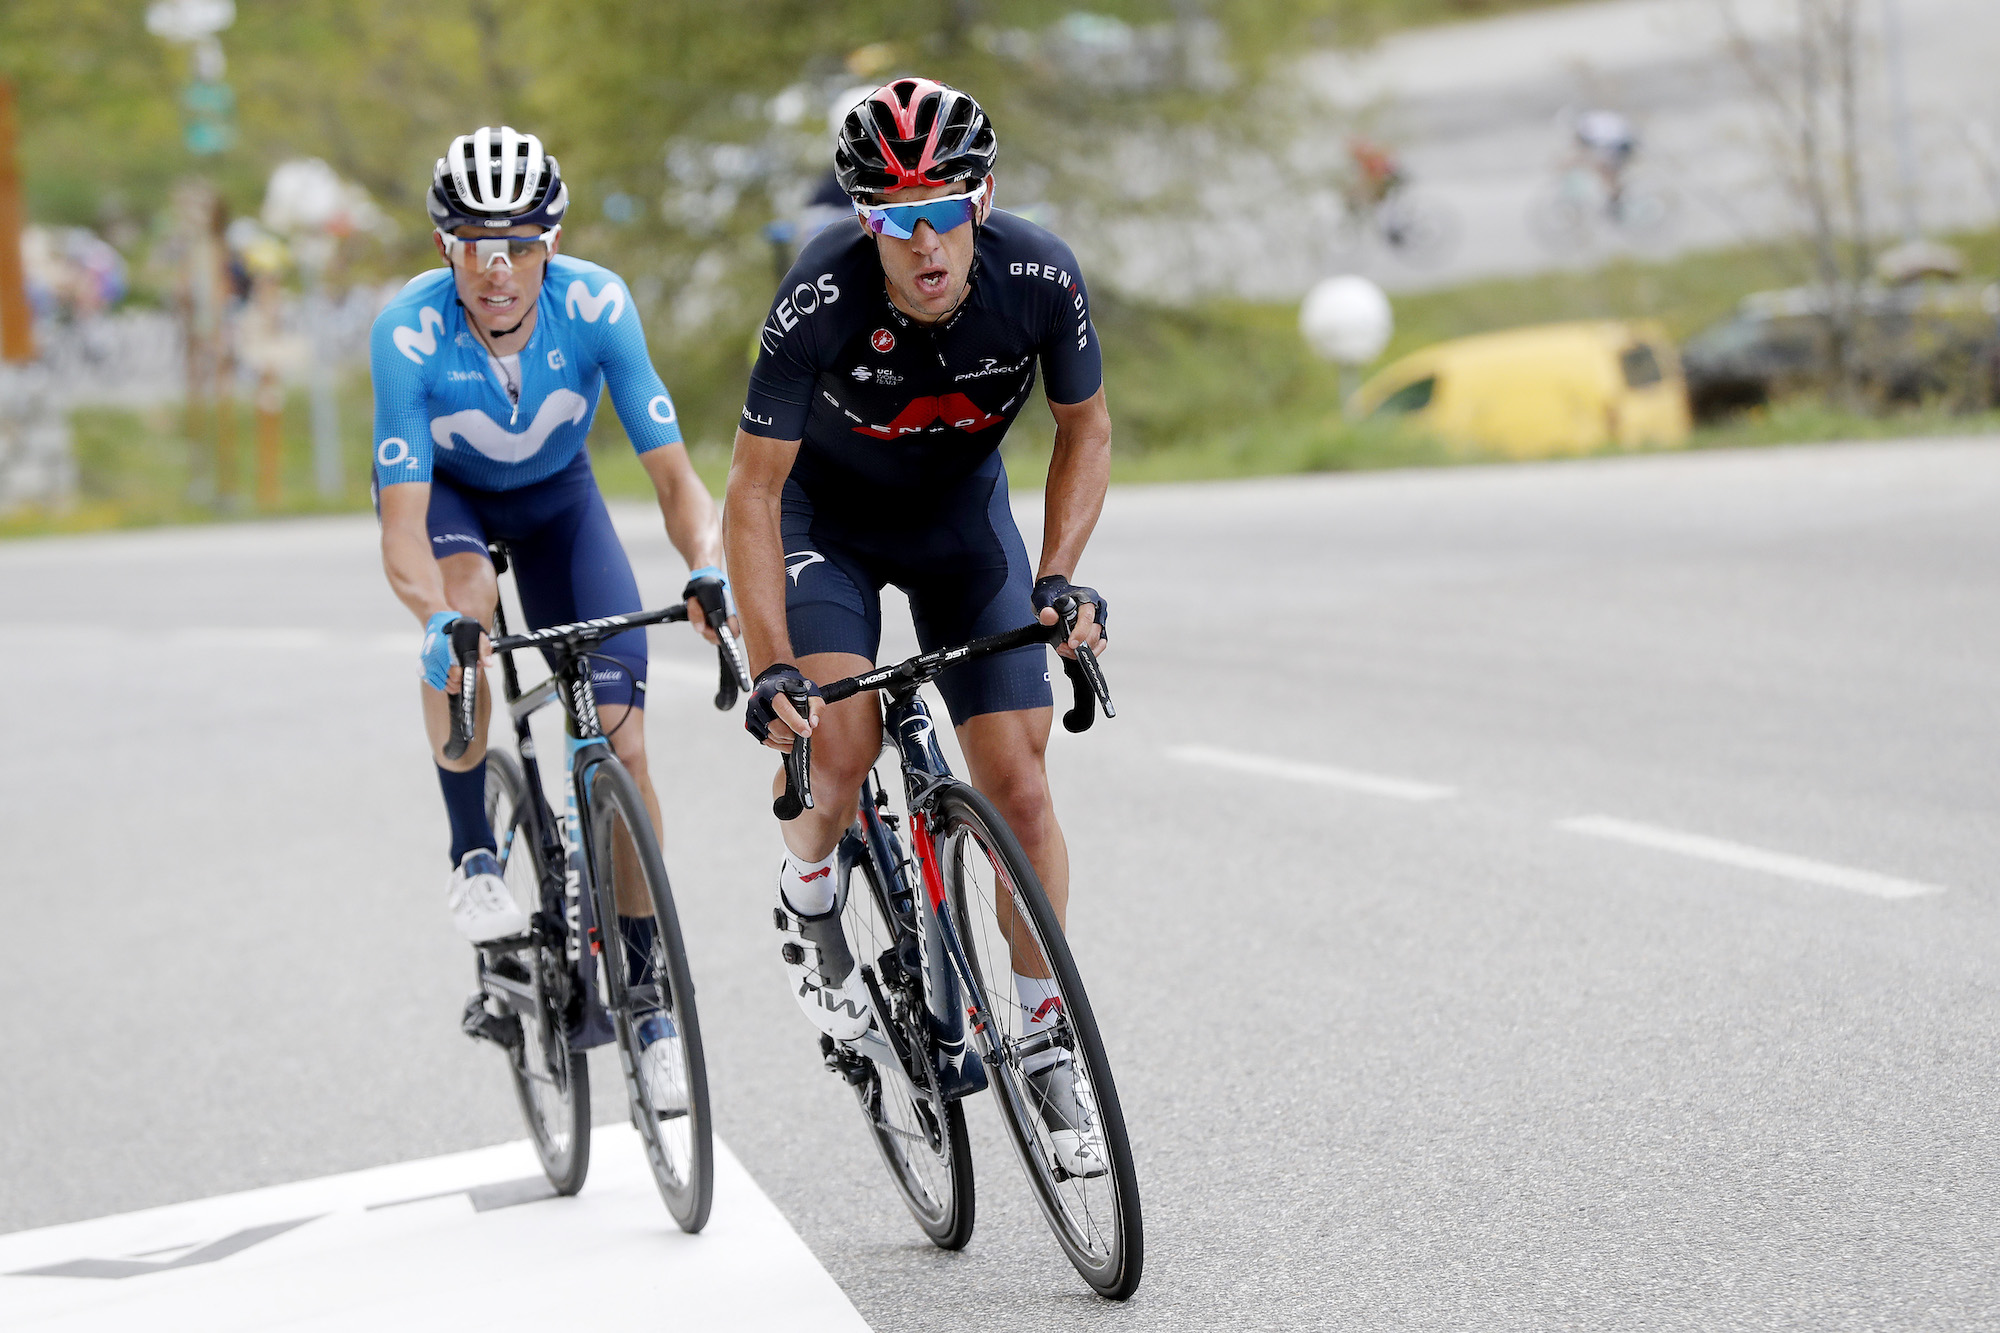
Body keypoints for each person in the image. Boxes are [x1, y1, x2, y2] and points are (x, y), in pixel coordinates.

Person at [724, 79, 1112, 1176]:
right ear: (862, 220)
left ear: (981, 200)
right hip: (824, 529)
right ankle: (807, 897)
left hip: (957, 524)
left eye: (943, 207)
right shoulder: (817, 297)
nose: (923, 239)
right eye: (893, 218)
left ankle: (1040, 1031)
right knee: (837, 748)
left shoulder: (1038, 273)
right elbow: (750, 493)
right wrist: (770, 666)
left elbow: (1083, 428)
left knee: (1021, 786)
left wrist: (1058, 576)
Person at [371, 126, 730, 1109]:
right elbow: (402, 531)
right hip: (454, 508)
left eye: (521, 243)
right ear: (444, 244)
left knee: (626, 745)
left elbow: (672, 475)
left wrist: (704, 566)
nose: (498, 268)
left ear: (551, 242)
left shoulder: (596, 302)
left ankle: (650, 997)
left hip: (562, 504)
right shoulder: (405, 331)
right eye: (475, 242)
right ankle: (473, 853)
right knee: (471, 618)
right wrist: (432, 617)